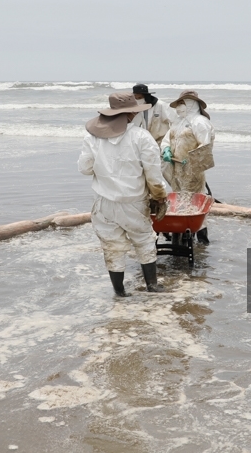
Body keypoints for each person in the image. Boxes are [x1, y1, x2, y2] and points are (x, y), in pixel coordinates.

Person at [78, 92, 170, 298]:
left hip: (104, 203)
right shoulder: (141, 137)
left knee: (112, 246)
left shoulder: (92, 137)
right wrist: (159, 197)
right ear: (131, 114)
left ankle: (119, 292)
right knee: (145, 239)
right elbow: (153, 174)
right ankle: (152, 286)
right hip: (134, 202)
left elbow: (84, 168)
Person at [160, 90, 215, 244]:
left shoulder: (200, 122)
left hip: (192, 171)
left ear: (191, 104)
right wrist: (166, 149)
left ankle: (201, 240)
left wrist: (191, 160)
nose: (178, 107)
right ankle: (181, 237)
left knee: (194, 202)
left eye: (182, 103)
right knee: (179, 201)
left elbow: (205, 146)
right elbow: (167, 139)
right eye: (178, 103)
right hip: (176, 169)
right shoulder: (177, 123)